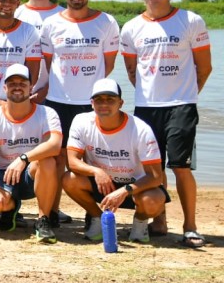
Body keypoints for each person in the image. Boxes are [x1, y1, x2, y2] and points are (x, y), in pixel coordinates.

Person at [120, 0, 212, 248]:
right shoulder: (132, 27)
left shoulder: (191, 20)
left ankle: (190, 226)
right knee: (152, 167)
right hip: (147, 108)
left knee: (180, 167)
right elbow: (133, 71)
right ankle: (159, 220)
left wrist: (186, 96)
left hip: (182, 105)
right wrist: (151, 95)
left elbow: (205, 67)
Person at [38, 0, 118, 227]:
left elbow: (109, 65)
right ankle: (53, 211)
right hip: (59, 101)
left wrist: (92, 91)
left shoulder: (106, 22)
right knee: (59, 158)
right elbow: (47, 64)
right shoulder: (51, 24)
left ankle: (94, 214)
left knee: (94, 157)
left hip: (92, 102)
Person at [62, 78, 167, 244]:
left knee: (153, 201)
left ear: (121, 103)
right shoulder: (81, 121)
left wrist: (124, 190)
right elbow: (72, 162)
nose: (104, 104)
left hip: (135, 187)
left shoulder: (141, 129)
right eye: (99, 100)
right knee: (69, 180)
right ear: (91, 103)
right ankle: (97, 219)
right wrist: (96, 171)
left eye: (110, 100)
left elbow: (156, 176)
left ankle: (140, 224)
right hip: (102, 184)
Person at [0, 64, 62, 243]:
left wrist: (23, 159)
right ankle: (10, 208)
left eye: (23, 83)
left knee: (48, 161)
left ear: (31, 87)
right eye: (12, 83)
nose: (17, 86)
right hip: (4, 174)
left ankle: (42, 219)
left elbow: (54, 145)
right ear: (4, 87)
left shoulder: (47, 113)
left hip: (31, 174)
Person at [14, 0, 63, 102]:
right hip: (19, 92)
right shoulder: (17, 14)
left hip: (55, 92)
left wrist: (46, 90)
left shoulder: (63, 15)